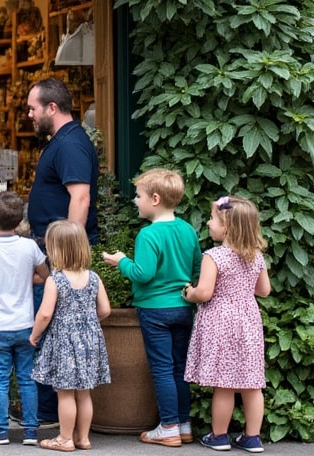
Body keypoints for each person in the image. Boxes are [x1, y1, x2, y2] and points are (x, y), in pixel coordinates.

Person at [101, 168, 203, 447]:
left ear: (155, 199)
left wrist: (121, 261)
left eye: (138, 195)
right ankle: (183, 424)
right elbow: (196, 268)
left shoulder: (148, 235)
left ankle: (168, 426)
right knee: (180, 367)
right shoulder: (187, 230)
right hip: (182, 307)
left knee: (161, 368)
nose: (135, 200)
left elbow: (142, 274)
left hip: (154, 310)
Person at [26, 77, 99, 422]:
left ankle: (46, 411)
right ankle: (46, 409)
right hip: (53, 250)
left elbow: (80, 198)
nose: (29, 114)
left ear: (51, 108)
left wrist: (66, 256)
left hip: (62, 256)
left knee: (52, 330)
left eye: (32, 108)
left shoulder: (70, 144)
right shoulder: (63, 140)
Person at [184, 195, 271, 453]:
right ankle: (252, 438)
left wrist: (188, 292)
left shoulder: (214, 256)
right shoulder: (256, 256)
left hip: (221, 321)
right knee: (252, 383)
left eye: (212, 218)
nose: (209, 223)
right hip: (248, 323)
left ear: (227, 227)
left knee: (224, 384)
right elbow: (264, 290)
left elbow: (204, 293)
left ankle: (219, 436)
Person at [0, 190, 49, 447]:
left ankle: (0, 430)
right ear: (19, 221)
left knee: (1, 379)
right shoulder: (29, 246)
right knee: (27, 378)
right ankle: (30, 430)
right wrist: (24, 279)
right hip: (26, 324)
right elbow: (44, 275)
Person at [30, 220, 111, 452]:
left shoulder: (55, 280)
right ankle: (83, 438)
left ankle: (65, 438)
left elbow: (45, 314)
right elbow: (105, 310)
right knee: (84, 393)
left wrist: (35, 335)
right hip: (89, 341)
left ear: (55, 250)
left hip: (65, 343)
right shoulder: (93, 277)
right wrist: (88, 323)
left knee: (65, 393)